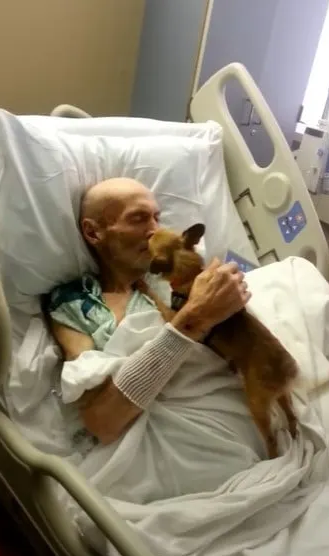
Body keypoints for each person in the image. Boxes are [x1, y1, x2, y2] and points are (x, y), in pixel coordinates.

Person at [45, 177, 251, 445]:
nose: (155, 230)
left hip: (236, 413)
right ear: (94, 233)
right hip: (177, 439)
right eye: (138, 218)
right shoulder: (77, 305)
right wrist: (195, 319)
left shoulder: (182, 281)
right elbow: (102, 421)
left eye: (157, 218)